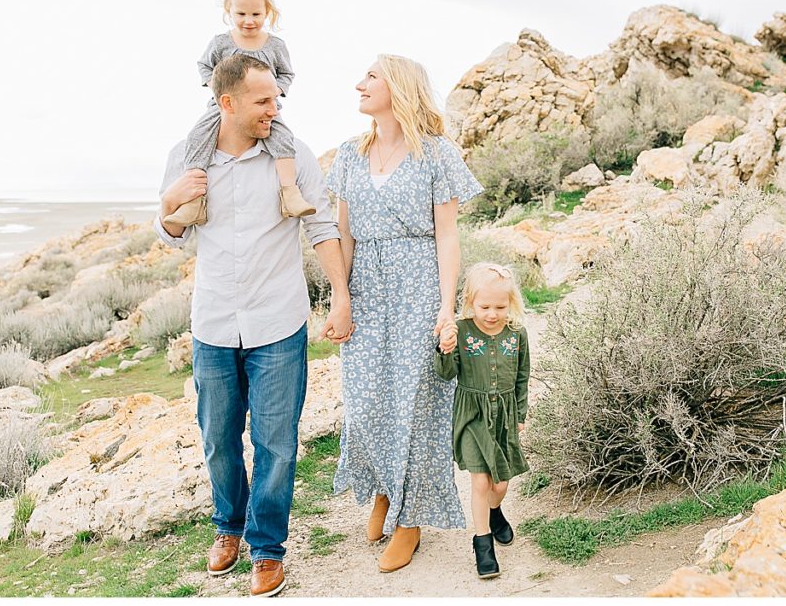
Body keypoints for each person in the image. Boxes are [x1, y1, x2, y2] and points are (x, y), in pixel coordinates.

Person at [155, 53, 353, 598]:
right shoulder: (187, 157)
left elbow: (320, 226)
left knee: (277, 444)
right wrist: (169, 203)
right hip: (213, 324)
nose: (277, 107)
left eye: (276, 97)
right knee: (219, 440)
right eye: (264, 100)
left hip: (278, 323)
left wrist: (340, 297)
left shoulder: (292, 157)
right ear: (229, 103)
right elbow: (170, 231)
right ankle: (229, 527)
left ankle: (266, 549)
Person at [327, 54, 484, 573]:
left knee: (416, 403)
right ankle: (381, 488)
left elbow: (446, 235)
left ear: (398, 87)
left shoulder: (437, 154)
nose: (359, 83)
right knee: (367, 400)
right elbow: (343, 234)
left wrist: (446, 309)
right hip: (366, 287)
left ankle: (411, 517)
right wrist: (340, 298)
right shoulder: (349, 156)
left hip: (418, 282)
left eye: (370, 76)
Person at [163, 0, 315, 228]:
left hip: (266, 109)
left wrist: (273, 91)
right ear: (228, 12)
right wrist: (215, 86)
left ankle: (289, 192)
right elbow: (204, 66)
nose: (249, 20)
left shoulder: (275, 46)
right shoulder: (222, 43)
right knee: (199, 137)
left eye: (256, 13)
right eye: (240, 13)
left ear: (268, 11)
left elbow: (287, 73)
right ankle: (194, 202)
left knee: (283, 138)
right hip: (220, 107)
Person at [435, 262, 530, 579]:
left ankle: (494, 511)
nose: (492, 313)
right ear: (470, 302)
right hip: (472, 415)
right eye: (484, 306)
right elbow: (446, 374)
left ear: (511, 303)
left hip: (503, 416)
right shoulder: (461, 331)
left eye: (500, 306)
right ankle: (483, 545)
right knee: (479, 481)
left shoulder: (517, 335)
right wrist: (444, 349)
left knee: (500, 484)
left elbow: (521, 377)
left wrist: (519, 414)